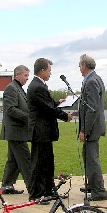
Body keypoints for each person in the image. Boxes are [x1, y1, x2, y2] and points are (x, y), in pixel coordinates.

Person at [27, 58, 72, 203]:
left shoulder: (39, 85)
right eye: (49, 71)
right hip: (40, 131)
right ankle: (36, 194)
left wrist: (59, 102)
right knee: (39, 164)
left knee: (47, 163)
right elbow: (47, 108)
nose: (50, 73)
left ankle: (47, 190)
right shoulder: (37, 87)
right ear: (42, 71)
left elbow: (48, 104)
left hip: (43, 132)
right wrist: (66, 116)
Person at [77, 54, 107, 202]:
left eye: (80, 65)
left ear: (84, 65)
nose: (79, 68)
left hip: (92, 127)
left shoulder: (91, 81)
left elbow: (92, 108)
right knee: (88, 156)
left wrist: (84, 130)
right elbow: (90, 106)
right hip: (94, 125)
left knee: (92, 159)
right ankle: (93, 184)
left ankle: (99, 191)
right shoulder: (95, 78)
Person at [0, 65, 32, 196]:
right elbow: (10, 109)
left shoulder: (18, 88)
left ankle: (7, 186)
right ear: (17, 75)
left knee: (13, 161)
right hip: (15, 132)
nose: (27, 78)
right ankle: (34, 189)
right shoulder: (11, 88)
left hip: (17, 132)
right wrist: (29, 117)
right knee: (25, 161)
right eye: (25, 75)